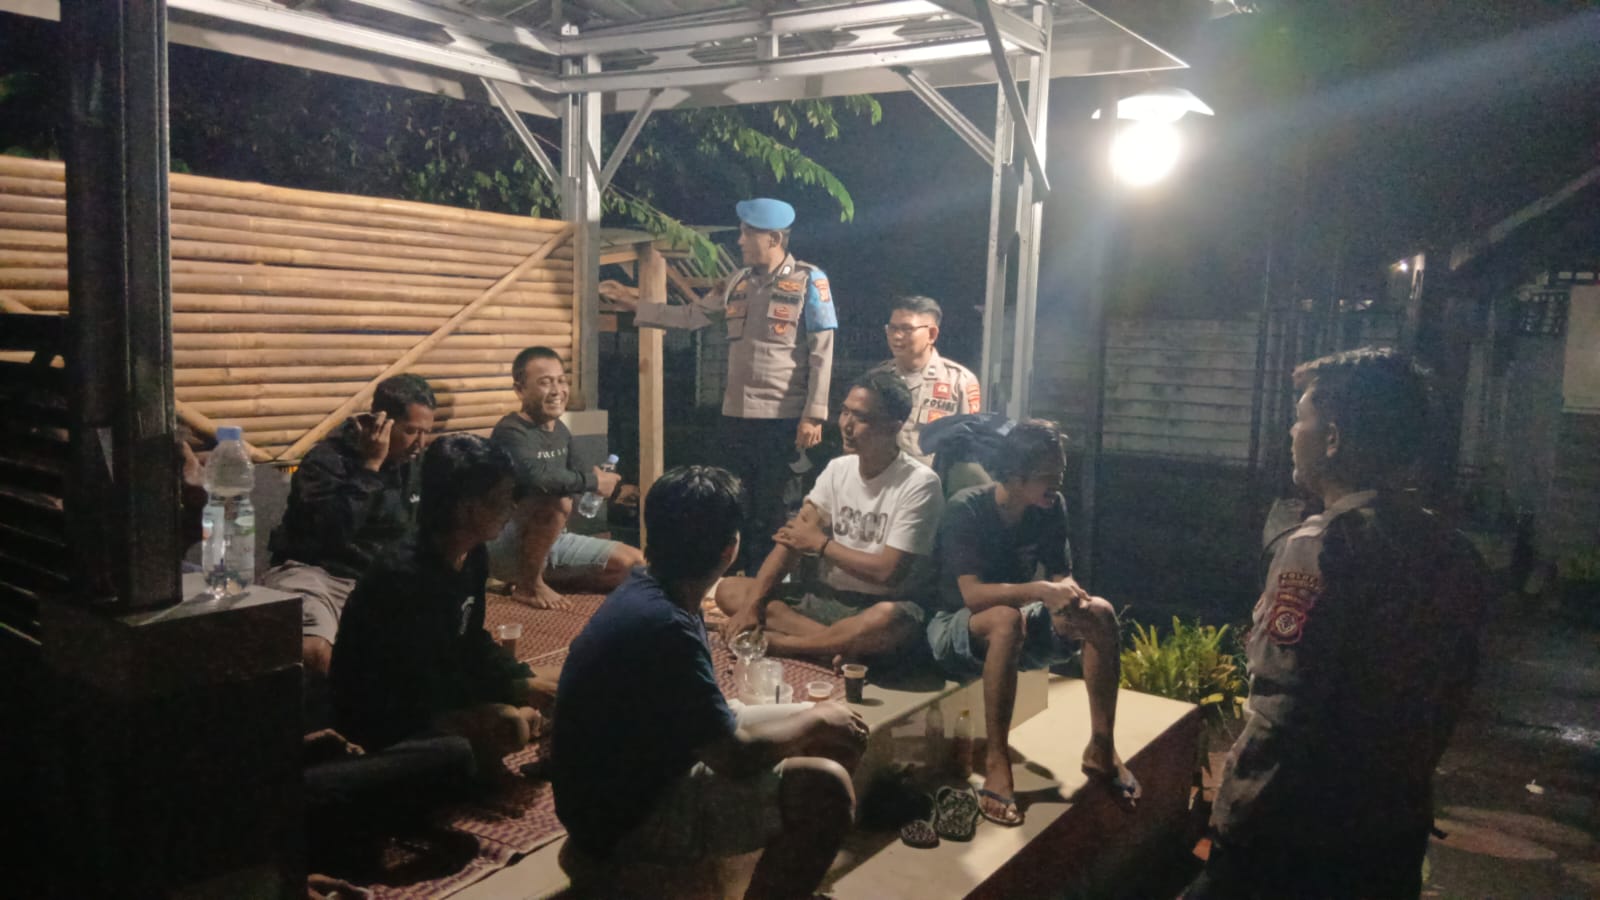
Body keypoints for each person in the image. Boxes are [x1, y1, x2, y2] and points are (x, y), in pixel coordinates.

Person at [1184, 348, 1489, 900]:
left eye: (1301, 417)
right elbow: (1452, 693)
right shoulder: (1455, 552)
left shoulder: (1325, 547)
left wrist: (1233, 820)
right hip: (1392, 834)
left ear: (1333, 439)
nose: (1290, 432)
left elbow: (1283, 711)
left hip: (1297, 844)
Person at [552, 466, 865, 899]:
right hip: (625, 818)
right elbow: (732, 756)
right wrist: (817, 720)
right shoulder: (663, 623)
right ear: (730, 549)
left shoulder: (656, 589)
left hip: (645, 770)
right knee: (826, 785)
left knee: (838, 727)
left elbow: (706, 721)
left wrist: (823, 719)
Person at [600, 198, 837, 573]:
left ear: (774, 238)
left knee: (772, 507)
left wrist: (814, 414)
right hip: (735, 414)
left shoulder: (809, 281)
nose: (740, 241)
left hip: (782, 417)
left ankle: (764, 585)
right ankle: (731, 580)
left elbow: (822, 351)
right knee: (730, 501)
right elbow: (691, 316)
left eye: (747, 234)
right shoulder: (736, 282)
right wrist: (633, 304)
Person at [925, 420, 1135, 827]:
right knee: (1006, 621)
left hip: (1019, 618)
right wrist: (1040, 590)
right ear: (1014, 475)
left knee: (1100, 612)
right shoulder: (967, 508)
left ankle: (1102, 746)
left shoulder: (1050, 506)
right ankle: (997, 760)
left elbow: (1059, 573)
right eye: (1047, 475)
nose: (1057, 483)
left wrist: (1070, 600)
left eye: (1061, 473)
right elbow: (972, 595)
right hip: (954, 627)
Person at [331, 434, 549, 774]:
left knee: (560, 682)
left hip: (438, 685)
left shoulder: (473, 554)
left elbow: (470, 640)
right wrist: (511, 692)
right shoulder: (404, 575)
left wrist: (522, 680)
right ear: (467, 508)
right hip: (390, 711)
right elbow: (423, 681)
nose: (512, 509)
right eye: (502, 500)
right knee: (511, 725)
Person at [717, 370, 942, 666]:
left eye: (861, 418)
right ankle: (836, 645)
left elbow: (887, 573)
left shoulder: (920, 482)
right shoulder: (838, 469)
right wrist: (752, 606)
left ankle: (784, 644)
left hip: (880, 604)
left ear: (893, 426)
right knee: (731, 590)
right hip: (826, 598)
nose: (846, 425)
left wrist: (821, 545)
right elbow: (792, 541)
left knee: (891, 621)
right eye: (845, 412)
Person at [264, 374, 436, 676]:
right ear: (381, 423)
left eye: (426, 433)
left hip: (374, 579)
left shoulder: (412, 465)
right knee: (314, 650)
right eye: (411, 431)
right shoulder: (326, 460)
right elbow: (331, 533)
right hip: (316, 574)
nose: (419, 444)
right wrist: (370, 468)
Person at [487, 346, 644, 609]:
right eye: (545, 382)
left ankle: (538, 580)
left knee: (635, 565)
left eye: (561, 381)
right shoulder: (511, 431)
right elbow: (538, 480)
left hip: (552, 540)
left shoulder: (560, 430)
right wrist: (592, 482)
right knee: (555, 500)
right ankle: (528, 586)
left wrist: (612, 487)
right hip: (506, 543)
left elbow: (581, 475)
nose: (557, 390)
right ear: (520, 390)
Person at [871, 295, 983, 475]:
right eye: (892, 328)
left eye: (907, 329)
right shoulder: (876, 378)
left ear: (932, 334)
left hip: (933, 483)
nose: (897, 336)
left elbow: (968, 447)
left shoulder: (959, 382)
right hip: (882, 480)